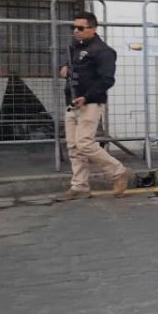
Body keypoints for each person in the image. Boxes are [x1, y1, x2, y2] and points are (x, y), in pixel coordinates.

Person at [55, 12, 130, 201]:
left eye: (81, 28)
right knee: (73, 146)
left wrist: (86, 97)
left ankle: (118, 171)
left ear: (93, 28)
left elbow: (107, 80)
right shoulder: (75, 48)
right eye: (74, 28)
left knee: (84, 143)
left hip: (90, 103)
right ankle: (79, 186)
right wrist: (66, 69)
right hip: (72, 102)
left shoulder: (103, 51)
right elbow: (74, 68)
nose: (76, 31)